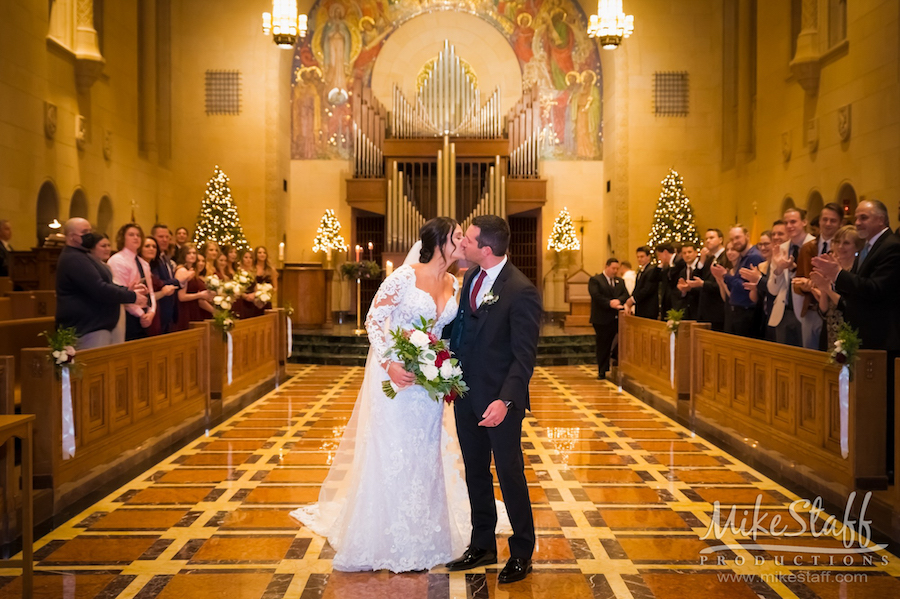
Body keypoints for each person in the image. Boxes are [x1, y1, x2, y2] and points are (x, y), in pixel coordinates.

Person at [292, 217, 479, 573]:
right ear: (439, 241)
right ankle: (384, 535)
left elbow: (447, 335)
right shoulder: (405, 276)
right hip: (396, 380)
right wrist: (391, 363)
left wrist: (446, 367)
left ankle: (426, 533)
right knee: (393, 451)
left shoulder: (454, 283)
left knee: (426, 453)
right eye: (457, 237)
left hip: (429, 387)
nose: (462, 243)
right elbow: (374, 320)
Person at [446, 215, 541, 584]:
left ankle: (522, 551)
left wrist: (505, 402)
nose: (462, 244)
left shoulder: (521, 290)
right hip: (465, 396)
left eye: (468, 240)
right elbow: (463, 330)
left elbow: (523, 357)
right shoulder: (470, 277)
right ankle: (482, 542)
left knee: (510, 474)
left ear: (486, 249)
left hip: (499, 403)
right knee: (475, 472)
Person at [812, 199, 900, 479]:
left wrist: (836, 275)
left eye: (864, 218)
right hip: (867, 336)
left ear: (881, 219)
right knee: (870, 404)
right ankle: (868, 458)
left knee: (884, 405)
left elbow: (876, 290)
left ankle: (884, 463)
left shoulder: (892, 247)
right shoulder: (871, 249)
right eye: (857, 218)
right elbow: (861, 294)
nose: (858, 222)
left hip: (884, 337)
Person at [55, 218, 148, 349]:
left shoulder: (84, 256)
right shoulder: (73, 259)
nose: (90, 235)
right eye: (85, 231)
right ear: (72, 236)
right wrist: (132, 296)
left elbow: (107, 283)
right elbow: (99, 289)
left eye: (90, 230)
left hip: (98, 327)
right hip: (87, 329)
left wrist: (127, 290)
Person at [793, 203, 842, 350]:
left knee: (834, 356)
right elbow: (796, 283)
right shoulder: (808, 247)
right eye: (825, 219)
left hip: (835, 312)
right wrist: (804, 287)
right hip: (812, 310)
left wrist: (817, 285)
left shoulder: (843, 248)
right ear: (819, 221)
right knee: (810, 358)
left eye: (833, 220)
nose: (828, 224)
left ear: (840, 223)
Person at [767, 208, 815, 347]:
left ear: (804, 222)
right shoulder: (781, 249)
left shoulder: (814, 245)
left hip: (807, 312)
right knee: (783, 361)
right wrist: (779, 270)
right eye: (786, 222)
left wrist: (794, 268)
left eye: (793, 222)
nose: (789, 226)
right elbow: (772, 289)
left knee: (806, 358)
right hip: (783, 312)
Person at [809, 225, 861, 349]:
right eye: (837, 242)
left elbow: (847, 305)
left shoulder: (857, 272)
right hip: (829, 328)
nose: (840, 247)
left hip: (849, 329)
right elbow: (824, 310)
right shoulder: (830, 268)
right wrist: (822, 290)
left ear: (857, 246)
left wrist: (826, 289)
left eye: (846, 243)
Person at [108, 223, 158, 341]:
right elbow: (121, 291)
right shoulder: (117, 260)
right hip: (127, 315)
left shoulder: (143, 263)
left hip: (145, 314)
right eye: (131, 235)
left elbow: (150, 291)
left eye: (138, 235)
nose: (136, 238)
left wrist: (151, 311)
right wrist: (141, 314)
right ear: (123, 238)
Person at [712, 225, 763, 337]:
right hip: (738, 313)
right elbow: (734, 288)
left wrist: (725, 276)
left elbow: (745, 286)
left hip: (747, 313)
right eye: (732, 239)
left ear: (747, 236)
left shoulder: (753, 257)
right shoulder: (743, 258)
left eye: (738, 237)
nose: (735, 242)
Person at [589, 258, 629, 380]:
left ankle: (615, 362)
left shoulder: (619, 281)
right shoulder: (596, 280)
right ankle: (602, 369)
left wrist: (619, 301)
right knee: (603, 344)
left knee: (620, 342)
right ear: (606, 267)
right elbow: (596, 295)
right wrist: (609, 303)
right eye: (613, 268)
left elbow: (625, 294)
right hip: (602, 318)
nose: (615, 271)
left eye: (617, 269)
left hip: (617, 318)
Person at [692, 228, 731, 331]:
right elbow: (696, 277)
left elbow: (721, 283)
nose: (708, 241)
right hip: (705, 310)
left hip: (718, 310)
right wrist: (702, 261)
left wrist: (703, 284)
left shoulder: (726, 257)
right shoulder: (709, 258)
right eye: (706, 238)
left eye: (711, 238)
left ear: (720, 239)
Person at [141, 236, 177, 336]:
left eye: (154, 247)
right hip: (144, 313)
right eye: (147, 246)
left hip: (158, 311)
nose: (151, 249)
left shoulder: (153, 267)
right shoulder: (138, 268)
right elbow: (146, 296)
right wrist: (163, 292)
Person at [150, 224, 181, 334]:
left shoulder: (165, 258)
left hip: (169, 312)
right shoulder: (152, 260)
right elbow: (158, 283)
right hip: (159, 311)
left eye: (167, 237)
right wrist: (177, 281)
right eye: (161, 237)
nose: (165, 240)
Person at [175, 245, 214, 329]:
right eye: (189, 253)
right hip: (185, 309)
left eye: (194, 253)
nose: (192, 255)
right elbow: (181, 297)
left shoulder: (192, 270)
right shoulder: (182, 270)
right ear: (183, 255)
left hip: (193, 308)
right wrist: (200, 295)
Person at [624, 246, 659, 319]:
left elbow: (647, 289)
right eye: (638, 257)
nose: (639, 259)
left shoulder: (652, 270)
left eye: (642, 257)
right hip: (641, 307)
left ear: (648, 257)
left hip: (648, 309)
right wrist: (631, 298)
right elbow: (637, 288)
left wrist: (633, 299)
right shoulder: (641, 271)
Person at [674, 242, 701, 319]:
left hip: (699, 309)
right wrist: (682, 291)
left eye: (689, 252)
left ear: (696, 253)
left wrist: (690, 288)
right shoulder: (683, 271)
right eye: (684, 253)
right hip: (687, 311)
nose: (687, 255)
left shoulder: (701, 267)